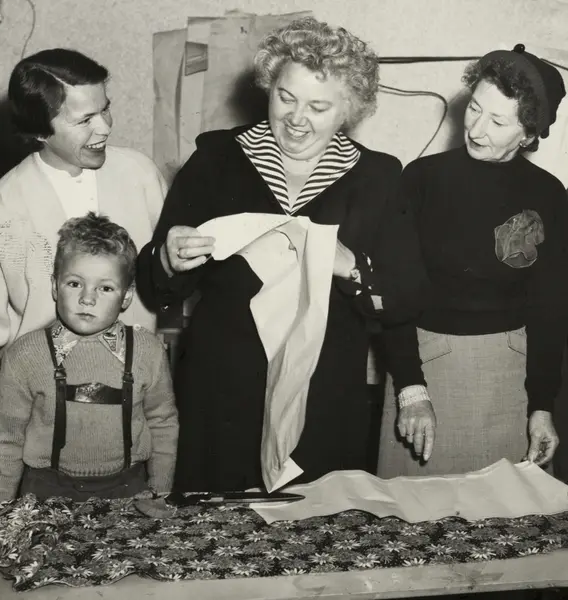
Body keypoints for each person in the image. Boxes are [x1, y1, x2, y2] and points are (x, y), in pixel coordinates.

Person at [137, 16, 430, 493]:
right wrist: (169, 256)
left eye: (318, 106)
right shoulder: (217, 158)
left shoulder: (376, 177)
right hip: (223, 391)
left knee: (316, 529)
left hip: (324, 398)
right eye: (285, 97)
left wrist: (352, 267)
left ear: (349, 109)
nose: (296, 118)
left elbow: (404, 299)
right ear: (268, 87)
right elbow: (157, 285)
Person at [0, 48, 167, 480]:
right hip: (47, 427)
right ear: (40, 131)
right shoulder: (2, 212)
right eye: (84, 120)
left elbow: (167, 284)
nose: (105, 127)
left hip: (133, 420)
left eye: (105, 109)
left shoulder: (140, 175)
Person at [378, 44, 568, 478]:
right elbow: (393, 290)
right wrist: (410, 389)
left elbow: (550, 307)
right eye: (475, 109)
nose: (477, 129)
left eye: (498, 121)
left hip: (510, 377)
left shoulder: (549, 194)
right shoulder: (421, 178)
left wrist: (542, 406)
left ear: (529, 134)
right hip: (424, 371)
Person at [0, 213, 179, 505]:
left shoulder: (147, 351)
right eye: (75, 284)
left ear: (126, 296)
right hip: (45, 493)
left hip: (128, 492)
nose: (87, 299)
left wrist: (161, 492)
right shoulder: (25, 355)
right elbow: (9, 441)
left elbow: (163, 423)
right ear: (55, 286)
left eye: (105, 288)